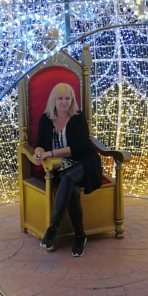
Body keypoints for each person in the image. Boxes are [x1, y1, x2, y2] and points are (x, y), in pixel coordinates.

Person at [32, 82, 102, 256]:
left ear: (72, 100)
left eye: (67, 98)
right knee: (72, 189)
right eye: (60, 98)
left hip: (85, 163)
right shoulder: (46, 119)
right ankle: (80, 236)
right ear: (53, 101)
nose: (64, 102)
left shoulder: (78, 117)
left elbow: (80, 148)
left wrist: (50, 153)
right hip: (59, 166)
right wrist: (38, 153)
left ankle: (53, 228)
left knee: (69, 178)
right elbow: (39, 143)